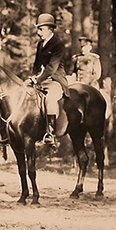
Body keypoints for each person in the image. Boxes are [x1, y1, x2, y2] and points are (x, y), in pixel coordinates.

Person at [24, 13, 70, 146]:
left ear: (50, 28)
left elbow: (51, 68)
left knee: (50, 98)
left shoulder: (58, 44)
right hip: (41, 80)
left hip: (55, 80)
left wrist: (37, 80)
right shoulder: (40, 44)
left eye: (41, 29)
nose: (38, 32)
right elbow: (36, 64)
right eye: (38, 29)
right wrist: (32, 77)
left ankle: (50, 133)